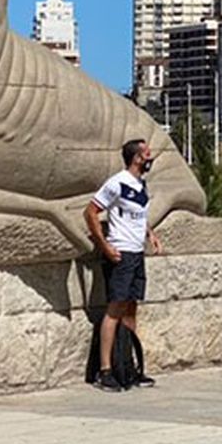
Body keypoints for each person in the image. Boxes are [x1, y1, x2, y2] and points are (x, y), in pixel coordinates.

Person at [86, 138, 163, 392]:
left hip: (136, 253)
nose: (150, 158)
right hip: (121, 254)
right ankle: (105, 370)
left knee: (131, 310)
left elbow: (138, 213)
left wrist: (150, 233)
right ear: (137, 158)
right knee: (114, 310)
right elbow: (91, 212)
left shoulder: (140, 184)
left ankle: (127, 366)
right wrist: (105, 246)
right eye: (147, 154)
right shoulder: (116, 182)